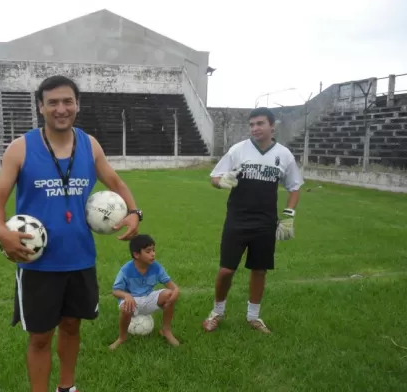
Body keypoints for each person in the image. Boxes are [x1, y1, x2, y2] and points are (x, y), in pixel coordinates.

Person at [0, 75, 144, 392]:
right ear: (41, 107)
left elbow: (116, 182)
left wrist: (134, 212)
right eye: (53, 102)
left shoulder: (89, 144)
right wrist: (1, 231)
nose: (61, 109)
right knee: (41, 336)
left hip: (80, 258)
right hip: (38, 262)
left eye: (67, 101)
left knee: (72, 326)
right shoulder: (21, 148)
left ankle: (67, 387)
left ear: (77, 105)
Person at [202, 107, 304, 335]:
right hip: (237, 220)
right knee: (226, 270)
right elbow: (214, 177)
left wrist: (289, 215)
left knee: (259, 270)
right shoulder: (238, 150)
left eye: (260, 123)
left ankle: (253, 317)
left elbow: (295, 187)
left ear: (272, 126)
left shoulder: (284, 155)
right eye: (252, 124)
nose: (255, 128)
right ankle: (217, 312)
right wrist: (222, 182)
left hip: (266, 222)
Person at [109, 234, 180, 350]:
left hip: (148, 298)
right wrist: (126, 295)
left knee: (169, 294)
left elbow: (172, 287)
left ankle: (166, 331)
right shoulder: (126, 270)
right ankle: (122, 337)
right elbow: (115, 291)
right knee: (125, 307)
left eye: (153, 250)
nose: (153, 254)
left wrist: (175, 293)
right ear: (136, 254)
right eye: (148, 251)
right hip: (132, 300)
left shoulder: (156, 267)